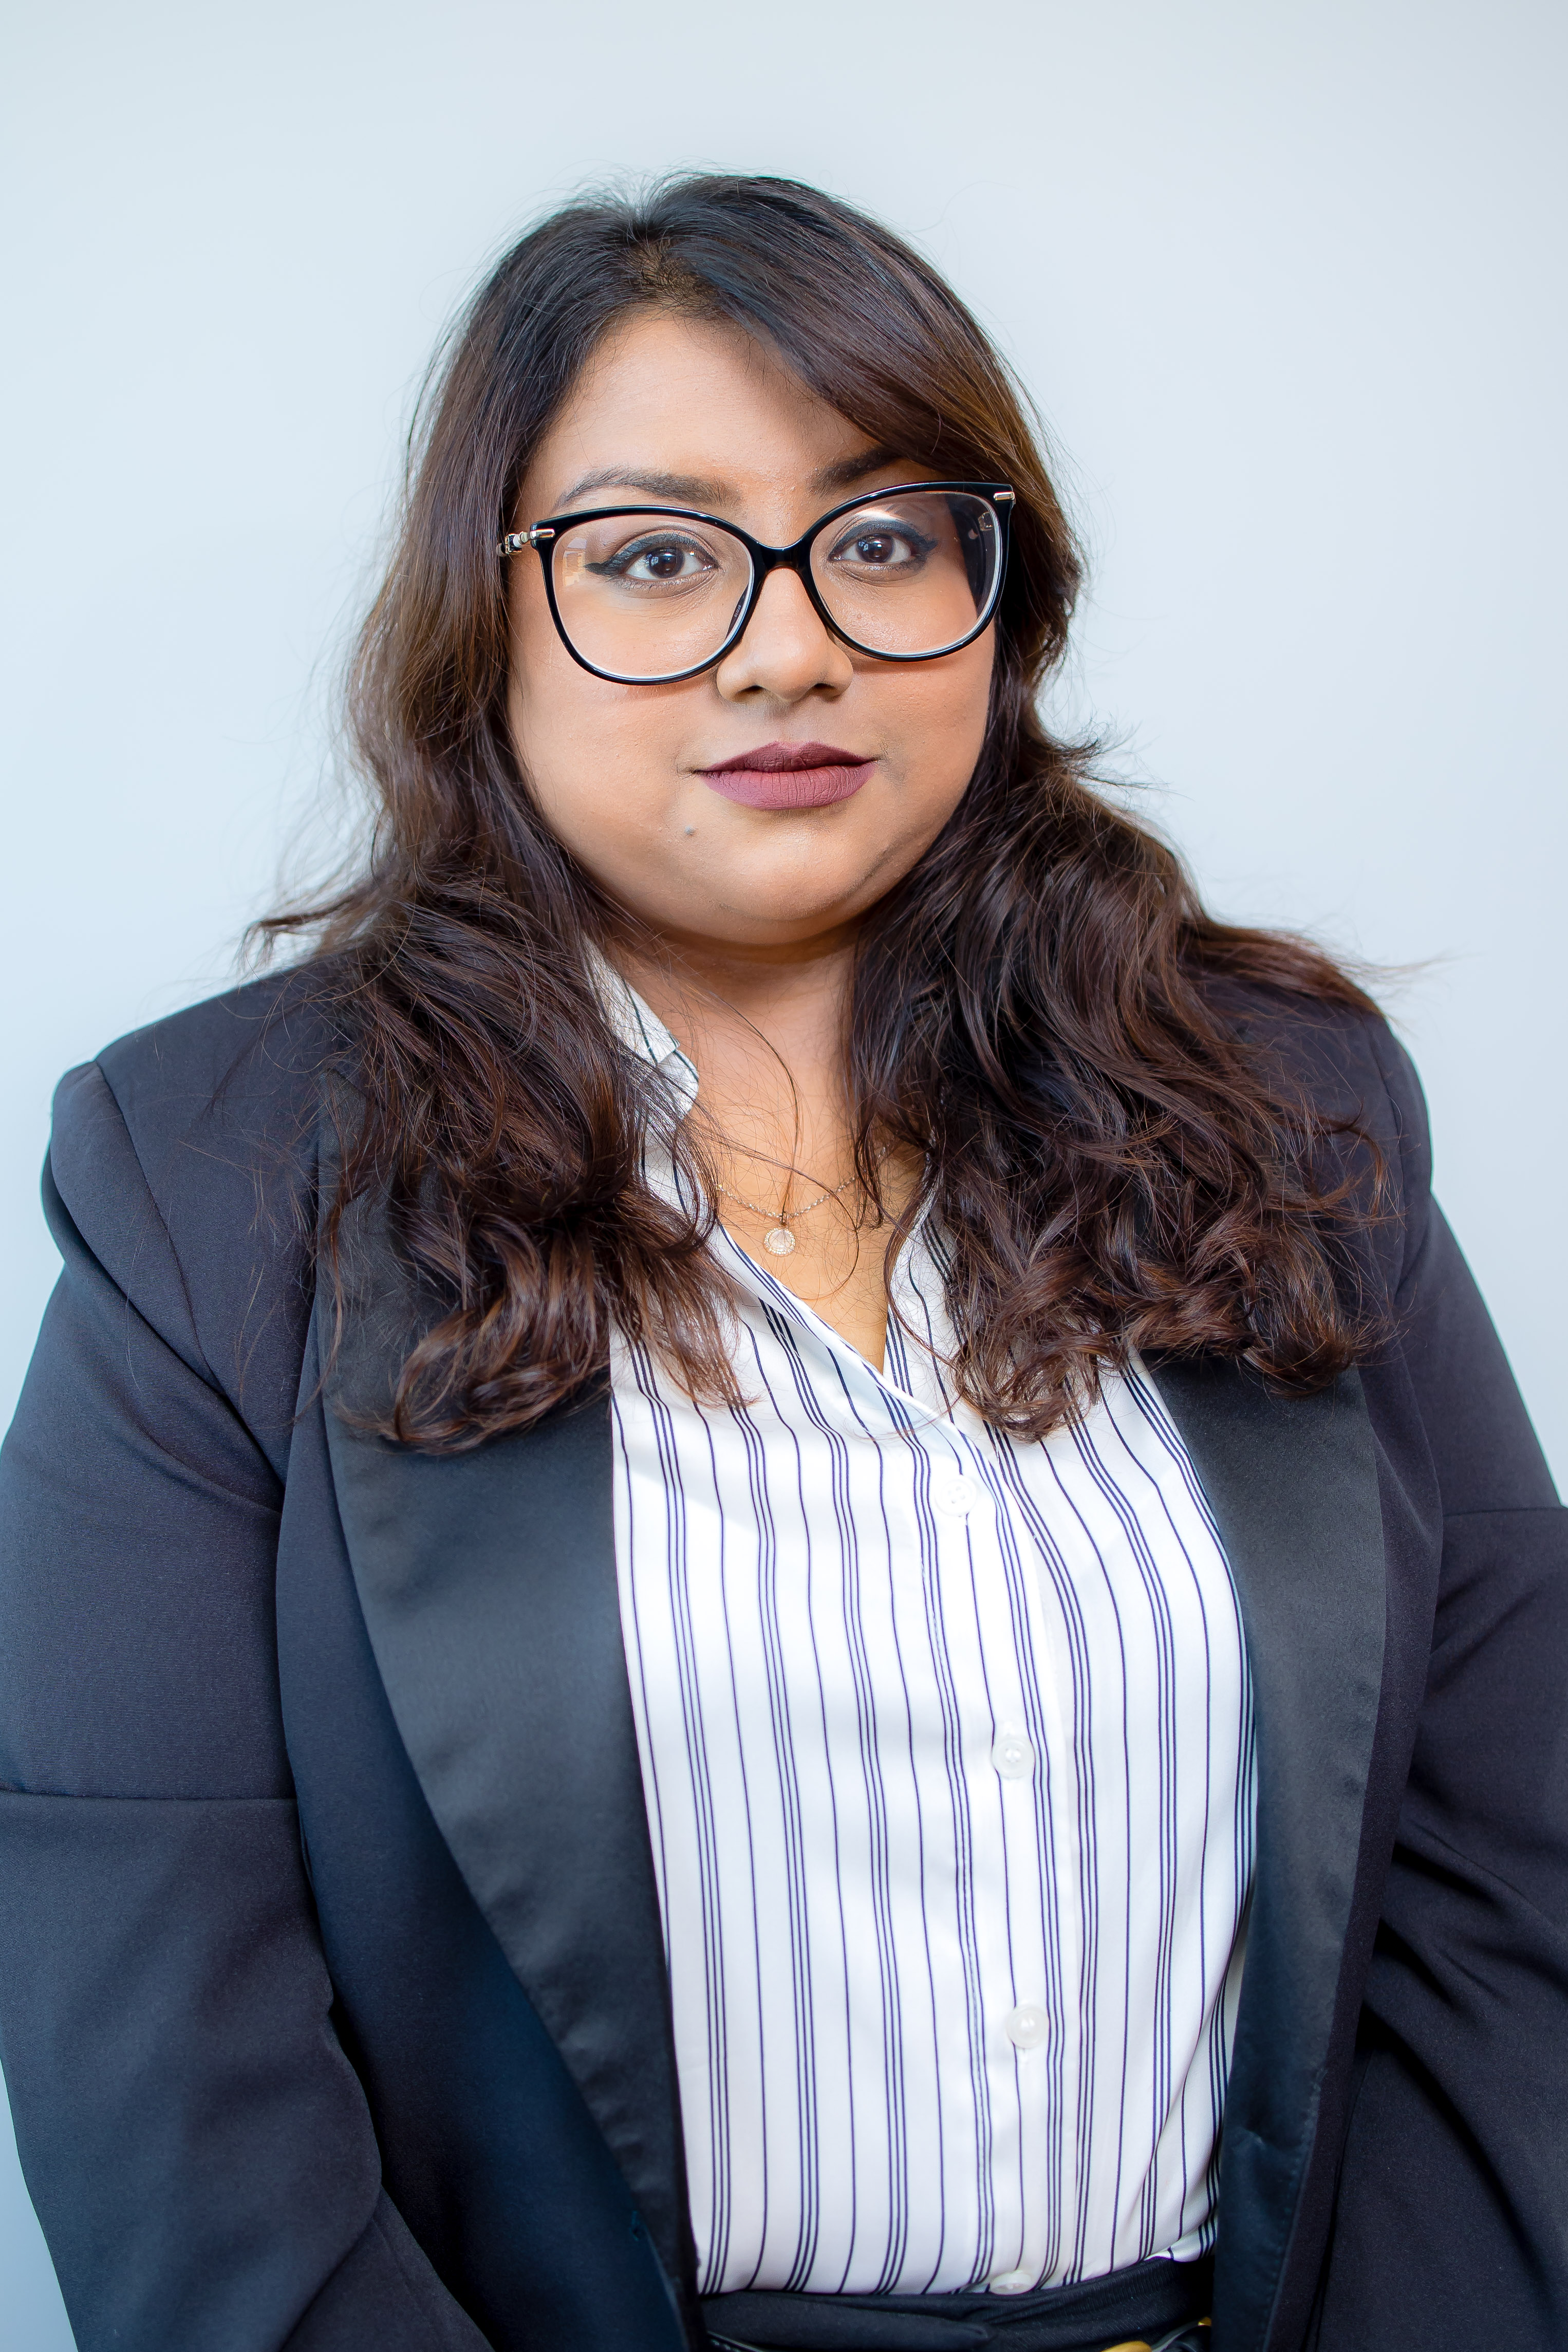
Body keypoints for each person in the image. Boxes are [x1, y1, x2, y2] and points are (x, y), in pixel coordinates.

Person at [0, 173, 1562, 2352]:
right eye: (655, 555)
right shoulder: (214, 1177)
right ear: (482, 614)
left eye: (885, 537)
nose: (787, 643)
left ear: (998, 600)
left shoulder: (1285, 1104)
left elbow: (1511, 1874)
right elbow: (169, 2063)